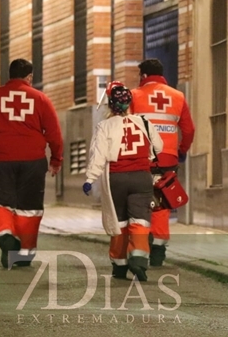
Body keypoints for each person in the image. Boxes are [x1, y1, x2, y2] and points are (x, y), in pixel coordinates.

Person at [0, 58, 63, 269]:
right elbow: (54, 133)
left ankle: (7, 241)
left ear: (9, 75)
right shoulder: (41, 99)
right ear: (30, 77)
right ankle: (24, 252)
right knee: (29, 206)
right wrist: (56, 159)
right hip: (33, 161)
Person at [83, 82, 163, 282]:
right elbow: (159, 147)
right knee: (140, 220)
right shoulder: (144, 122)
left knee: (118, 222)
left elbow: (98, 156)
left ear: (110, 105)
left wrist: (90, 179)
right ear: (129, 103)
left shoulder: (104, 126)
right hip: (141, 178)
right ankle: (138, 259)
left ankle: (119, 266)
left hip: (116, 180)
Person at [130, 59, 195, 267]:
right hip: (167, 159)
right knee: (162, 202)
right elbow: (189, 130)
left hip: (140, 158)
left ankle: (140, 248)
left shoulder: (134, 96)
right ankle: (158, 249)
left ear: (143, 76)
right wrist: (181, 151)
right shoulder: (178, 96)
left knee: (138, 202)